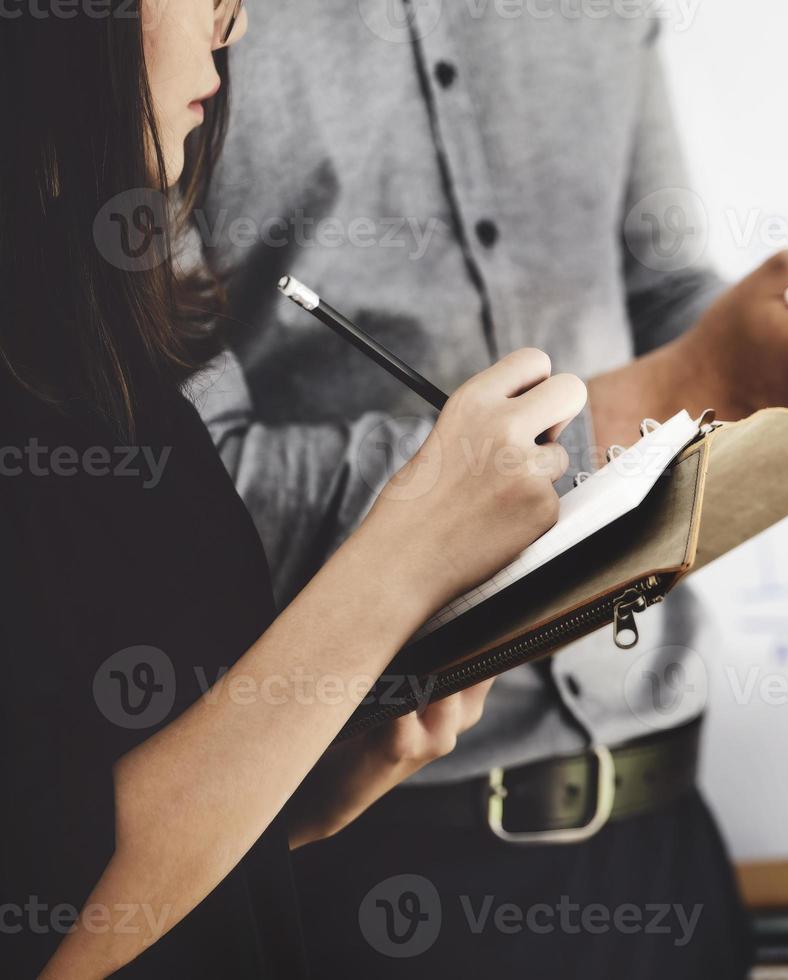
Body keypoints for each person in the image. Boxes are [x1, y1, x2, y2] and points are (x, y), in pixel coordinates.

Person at [196, 1, 788, 974]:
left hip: (662, 836)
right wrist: (694, 384)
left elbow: (666, 303)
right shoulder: (165, 37)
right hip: (361, 858)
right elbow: (198, 493)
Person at [0, 1, 587, 975]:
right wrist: (404, 556)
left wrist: (306, 781)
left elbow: (139, 816)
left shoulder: (100, 346)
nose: (229, 28)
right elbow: (49, 914)